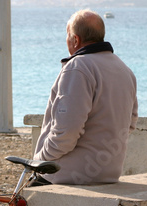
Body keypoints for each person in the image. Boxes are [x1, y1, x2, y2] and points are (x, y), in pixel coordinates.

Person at [32, 9, 138, 185]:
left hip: (65, 175)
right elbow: (131, 122)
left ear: (75, 39)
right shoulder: (124, 69)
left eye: (67, 36)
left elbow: (66, 132)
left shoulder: (78, 67)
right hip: (108, 173)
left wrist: (40, 160)